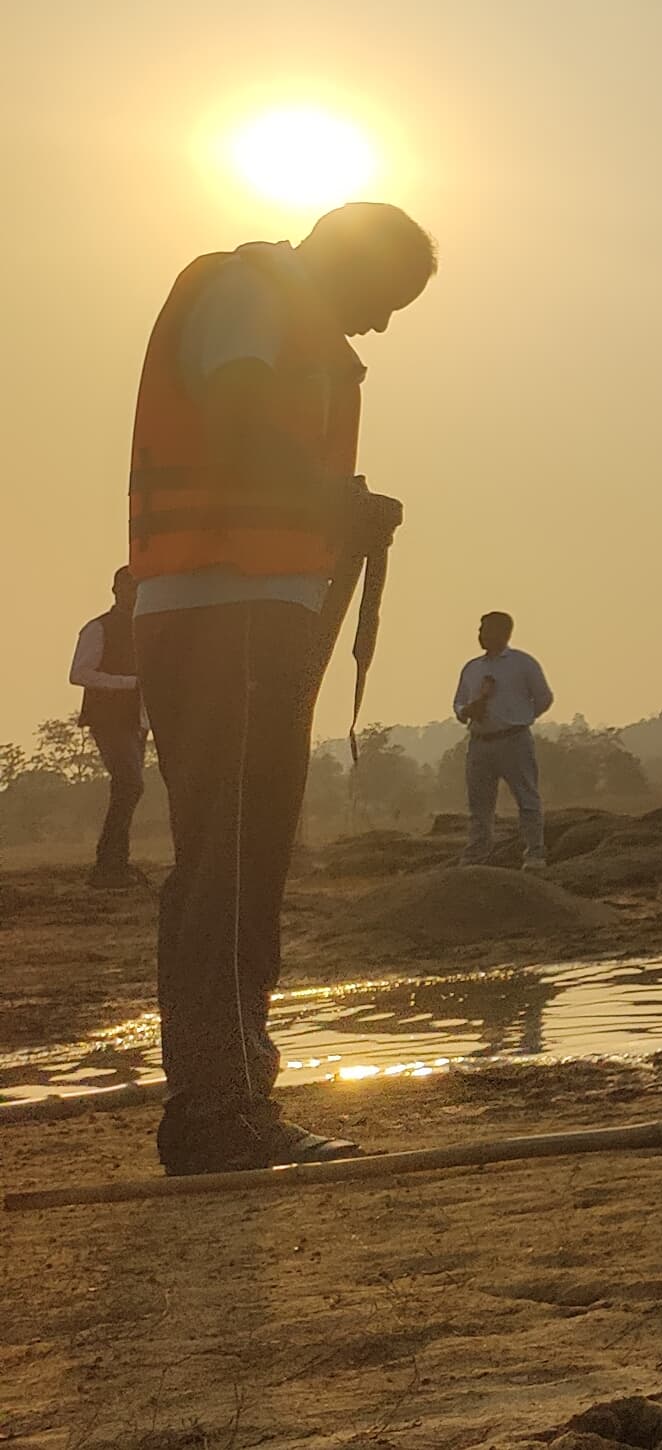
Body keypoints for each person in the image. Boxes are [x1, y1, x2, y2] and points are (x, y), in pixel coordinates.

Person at [126, 200, 435, 1174]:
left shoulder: (288, 314)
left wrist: (337, 513)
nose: (381, 326)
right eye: (386, 299)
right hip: (221, 613)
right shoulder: (245, 294)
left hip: (259, 613)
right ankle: (214, 1113)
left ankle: (238, 1098)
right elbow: (240, 420)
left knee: (253, 859)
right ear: (351, 256)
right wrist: (330, 501)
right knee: (224, 863)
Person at [450, 609, 555, 867]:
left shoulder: (523, 664)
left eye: (485, 629)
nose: (480, 635)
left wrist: (520, 717)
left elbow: (544, 698)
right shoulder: (472, 668)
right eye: (479, 630)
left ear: (503, 632)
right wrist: (467, 711)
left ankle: (535, 852)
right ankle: (477, 854)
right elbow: (458, 703)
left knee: (526, 798)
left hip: (514, 740)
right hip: (480, 742)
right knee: (479, 806)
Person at [68, 565, 146, 888]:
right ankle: (108, 864)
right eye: (128, 588)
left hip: (134, 721)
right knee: (131, 784)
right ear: (115, 590)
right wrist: (129, 684)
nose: (134, 594)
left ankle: (114, 865)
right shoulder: (98, 628)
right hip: (108, 719)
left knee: (126, 787)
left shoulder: (144, 629)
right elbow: (79, 673)